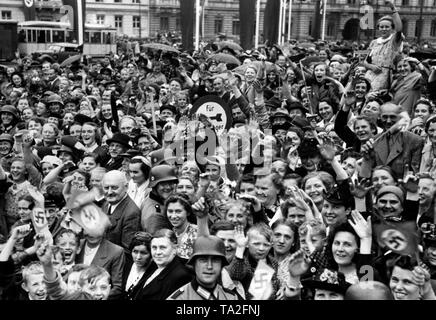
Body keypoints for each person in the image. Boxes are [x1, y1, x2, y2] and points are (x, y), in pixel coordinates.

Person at [168, 236, 238, 300]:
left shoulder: (231, 297)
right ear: (194, 264)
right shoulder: (179, 298)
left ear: (221, 265)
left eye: (215, 260)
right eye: (203, 260)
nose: (209, 266)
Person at [134, 229, 192, 300]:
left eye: (162, 247)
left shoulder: (180, 276)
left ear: (175, 249)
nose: (158, 252)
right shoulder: (154, 266)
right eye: (154, 248)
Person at [101, 170, 141, 252]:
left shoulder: (131, 213)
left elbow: (126, 251)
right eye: (106, 188)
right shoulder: (107, 203)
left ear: (126, 187)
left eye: (114, 187)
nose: (109, 192)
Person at [122, 231, 153, 300]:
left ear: (151, 254)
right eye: (135, 252)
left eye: (143, 253)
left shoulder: (154, 272)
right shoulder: (126, 265)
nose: (138, 257)